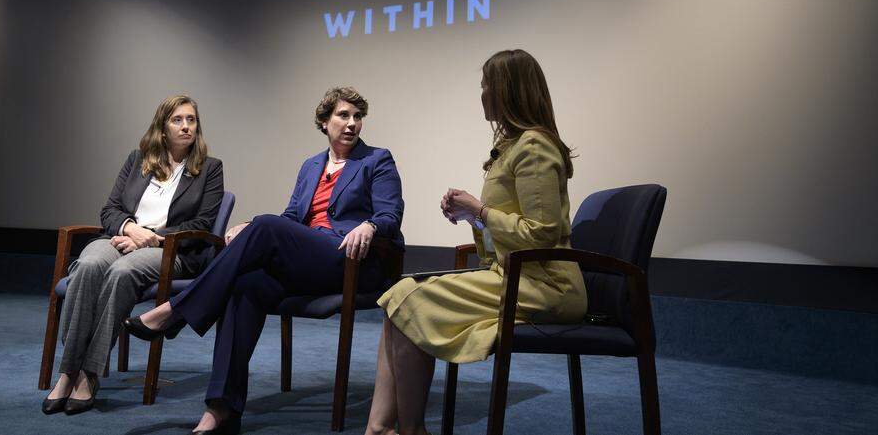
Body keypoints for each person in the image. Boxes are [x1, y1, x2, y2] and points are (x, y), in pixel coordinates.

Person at [126, 86, 404, 435]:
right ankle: (221, 410)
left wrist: (370, 224)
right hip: (308, 262)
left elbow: (391, 214)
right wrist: (249, 226)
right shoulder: (311, 166)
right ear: (324, 122)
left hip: (348, 260)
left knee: (265, 227)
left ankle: (175, 310)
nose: (351, 124)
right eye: (343, 115)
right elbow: (291, 216)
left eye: (357, 117)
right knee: (246, 285)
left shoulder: (376, 160)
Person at [365, 49, 587, 435]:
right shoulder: (514, 148)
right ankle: (381, 428)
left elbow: (542, 234)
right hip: (517, 277)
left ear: (507, 91)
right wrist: (472, 215)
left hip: (546, 285)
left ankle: (407, 429)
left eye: (486, 85)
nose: (482, 93)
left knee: (408, 298)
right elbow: (508, 235)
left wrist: (480, 210)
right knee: (398, 299)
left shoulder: (534, 147)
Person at [42, 94, 224, 415]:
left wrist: (152, 239)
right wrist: (129, 229)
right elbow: (110, 209)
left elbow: (202, 223)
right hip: (124, 237)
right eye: (177, 120)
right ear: (163, 127)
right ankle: (68, 370)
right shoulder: (137, 159)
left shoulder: (209, 169)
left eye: (191, 120)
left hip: (171, 251)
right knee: (87, 265)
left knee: (123, 272)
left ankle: (89, 373)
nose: (185, 127)